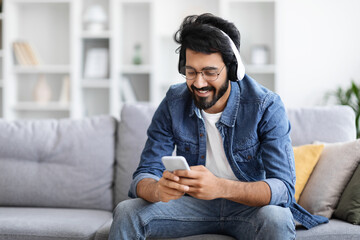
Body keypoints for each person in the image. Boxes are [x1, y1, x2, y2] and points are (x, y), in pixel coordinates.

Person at [108, 13, 328, 240]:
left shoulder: (266, 105)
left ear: (233, 69)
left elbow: (284, 188)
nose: (199, 83)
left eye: (210, 72)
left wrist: (221, 187)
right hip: (192, 206)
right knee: (127, 212)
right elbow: (144, 174)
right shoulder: (174, 102)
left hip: (250, 209)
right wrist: (156, 190)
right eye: (191, 72)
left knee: (277, 219)